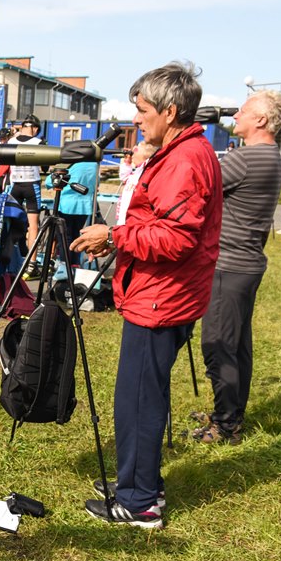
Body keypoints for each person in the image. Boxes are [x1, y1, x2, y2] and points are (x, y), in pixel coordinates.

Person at [71, 61, 222, 528]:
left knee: (139, 397)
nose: (135, 119)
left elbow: (176, 239)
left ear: (170, 111)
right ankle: (136, 480)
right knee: (139, 393)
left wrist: (114, 237)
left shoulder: (184, 160)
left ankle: (139, 503)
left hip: (163, 297)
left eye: (141, 110)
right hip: (163, 293)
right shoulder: (179, 151)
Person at [195, 91, 281, 444]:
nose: (236, 115)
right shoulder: (271, 157)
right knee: (238, 345)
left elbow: (198, 183)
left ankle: (226, 425)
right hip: (246, 263)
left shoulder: (246, 159)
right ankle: (231, 412)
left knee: (218, 344)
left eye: (244, 111)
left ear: (261, 120)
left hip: (228, 264)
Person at [6, 114, 47, 271]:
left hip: (15, 184)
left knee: (9, 223)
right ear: (35, 129)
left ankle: (8, 259)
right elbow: (45, 167)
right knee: (33, 226)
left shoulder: (11, 141)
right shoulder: (38, 142)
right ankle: (32, 263)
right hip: (32, 184)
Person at [45, 160, 98, 266]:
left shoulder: (69, 163)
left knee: (64, 238)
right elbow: (97, 183)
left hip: (66, 204)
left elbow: (49, 181)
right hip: (84, 206)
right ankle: (75, 265)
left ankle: (65, 267)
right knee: (76, 237)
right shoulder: (94, 164)